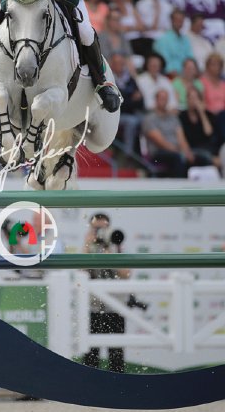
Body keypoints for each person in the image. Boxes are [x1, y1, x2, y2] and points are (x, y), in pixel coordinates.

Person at [82, 213, 136, 374]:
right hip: (94, 307)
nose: (100, 232)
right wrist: (87, 245)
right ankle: (89, 385)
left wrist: (110, 256)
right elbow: (81, 271)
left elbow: (126, 274)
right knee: (91, 355)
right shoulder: (89, 247)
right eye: (96, 228)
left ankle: (117, 386)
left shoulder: (118, 246)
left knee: (116, 354)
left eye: (103, 228)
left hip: (115, 307)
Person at [141, 89, 200, 177]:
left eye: (165, 99)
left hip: (176, 151)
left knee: (198, 158)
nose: (164, 101)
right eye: (161, 99)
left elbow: (181, 138)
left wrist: (188, 152)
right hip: (158, 152)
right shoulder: (149, 119)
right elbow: (160, 142)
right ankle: (179, 183)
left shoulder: (173, 118)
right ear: (156, 100)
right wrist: (180, 152)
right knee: (178, 158)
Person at [153, 8, 195, 77]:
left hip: (186, 75)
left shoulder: (186, 39)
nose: (179, 22)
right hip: (170, 76)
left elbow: (190, 58)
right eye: (177, 20)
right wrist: (177, 76)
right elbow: (164, 63)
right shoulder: (163, 39)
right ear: (171, 21)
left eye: (181, 20)